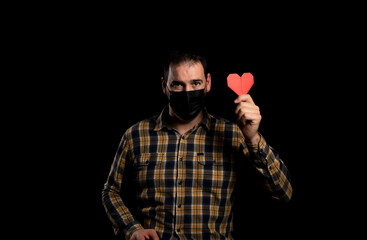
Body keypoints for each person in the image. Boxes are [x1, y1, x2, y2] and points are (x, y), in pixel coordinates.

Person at [102, 50, 292, 240]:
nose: (187, 92)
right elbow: (111, 191)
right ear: (164, 86)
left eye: (196, 83)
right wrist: (132, 228)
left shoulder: (233, 134)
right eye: (177, 85)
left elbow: (283, 192)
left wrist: (253, 138)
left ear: (207, 83)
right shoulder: (136, 135)